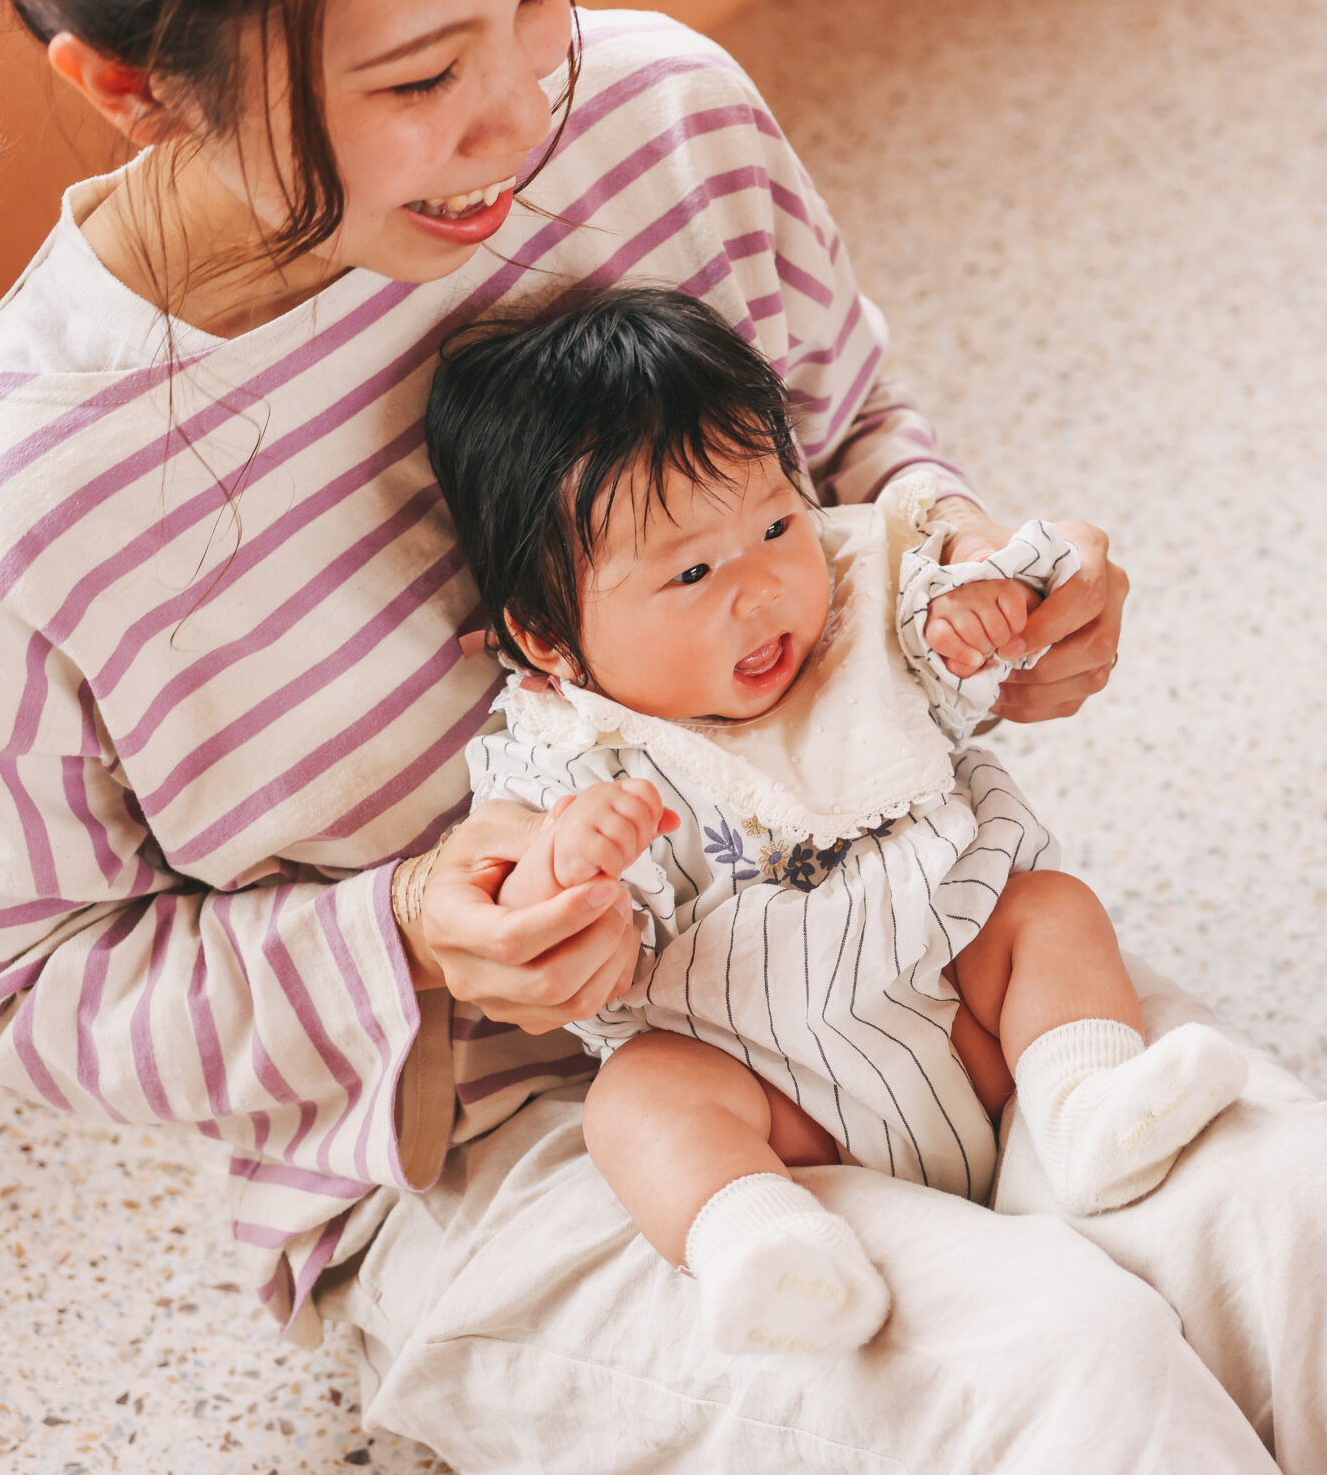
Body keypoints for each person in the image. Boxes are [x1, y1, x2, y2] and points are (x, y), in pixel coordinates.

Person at [0, 0, 1327, 1475]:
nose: (521, 112)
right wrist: (407, 929)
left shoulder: (660, 120)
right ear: (124, 88)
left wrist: (968, 562)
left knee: (1326, 1230)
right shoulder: (18, 518)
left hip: (895, 941)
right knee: (1058, 1375)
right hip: (502, 1135)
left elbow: (853, 434)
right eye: (417, 78)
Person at [426, 286, 1247, 1355]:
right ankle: (761, 1243)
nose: (763, 586)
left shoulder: (861, 606)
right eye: (689, 571)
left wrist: (979, 611)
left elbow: (961, 639)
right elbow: (530, 934)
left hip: (966, 1015)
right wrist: (561, 867)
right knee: (638, 1098)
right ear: (546, 634)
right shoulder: (563, 752)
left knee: (1047, 910)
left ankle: (1085, 1105)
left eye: (775, 524)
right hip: (780, 1103)